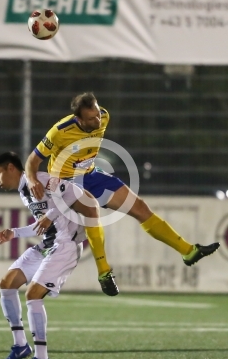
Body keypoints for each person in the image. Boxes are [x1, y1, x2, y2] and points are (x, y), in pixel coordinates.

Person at [25, 92, 220, 269]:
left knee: (141, 208)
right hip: (66, 182)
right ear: (79, 119)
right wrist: (33, 180)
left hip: (91, 174)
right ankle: (103, 271)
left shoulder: (104, 115)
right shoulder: (59, 131)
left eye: (98, 114)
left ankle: (188, 251)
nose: (98, 119)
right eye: (92, 118)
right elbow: (32, 161)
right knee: (90, 217)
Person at [0, 151, 115, 359]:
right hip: (47, 245)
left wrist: (51, 214)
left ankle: (41, 358)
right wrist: (14, 233)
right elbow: (43, 224)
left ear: (11, 168)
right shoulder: (24, 191)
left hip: (64, 246)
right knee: (7, 284)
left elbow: (80, 196)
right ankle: (20, 346)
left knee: (33, 294)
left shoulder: (43, 180)